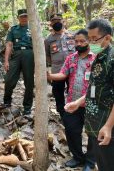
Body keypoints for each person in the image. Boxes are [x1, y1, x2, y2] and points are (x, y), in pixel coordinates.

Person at [64, 19, 114, 171]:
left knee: (108, 163)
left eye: (94, 39)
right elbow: (94, 88)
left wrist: (108, 126)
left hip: (106, 124)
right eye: (89, 39)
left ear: (107, 37)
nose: (91, 42)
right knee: (102, 161)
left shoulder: (111, 59)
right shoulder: (98, 57)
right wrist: (78, 102)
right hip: (95, 123)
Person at [47, 29, 96, 170]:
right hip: (72, 103)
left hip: (91, 103)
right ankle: (78, 157)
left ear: (89, 41)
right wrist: (49, 76)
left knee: (92, 133)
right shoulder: (71, 58)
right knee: (71, 130)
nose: (79, 44)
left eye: (82, 41)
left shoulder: (96, 59)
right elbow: (63, 74)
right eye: (76, 41)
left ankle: (90, 161)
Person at [3, 9, 34, 115]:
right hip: (15, 55)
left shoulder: (33, 28)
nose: (24, 18)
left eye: (25, 16)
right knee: (9, 79)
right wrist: (6, 60)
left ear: (28, 17)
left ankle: (27, 107)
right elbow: (9, 45)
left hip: (30, 54)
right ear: (18, 18)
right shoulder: (13, 29)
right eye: (22, 16)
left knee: (29, 82)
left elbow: (39, 45)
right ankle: (7, 102)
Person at [45, 13, 75, 118]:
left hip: (73, 68)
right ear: (51, 23)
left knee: (74, 89)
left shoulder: (72, 35)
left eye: (59, 20)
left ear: (63, 21)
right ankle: (61, 112)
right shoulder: (48, 39)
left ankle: (73, 110)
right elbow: (47, 55)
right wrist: (55, 62)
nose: (56, 22)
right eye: (53, 20)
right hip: (57, 69)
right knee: (58, 91)